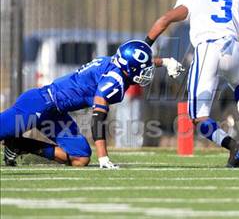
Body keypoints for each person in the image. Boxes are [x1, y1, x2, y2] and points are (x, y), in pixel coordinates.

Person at [145, 0, 239, 168]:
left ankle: (234, 146)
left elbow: (165, 20)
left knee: (198, 118)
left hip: (208, 48)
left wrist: (146, 44)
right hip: (233, 48)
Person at [0, 40, 184, 168]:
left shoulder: (116, 62)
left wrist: (165, 62)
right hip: (39, 103)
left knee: (80, 158)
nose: (147, 72)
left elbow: (138, 62)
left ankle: (18, 145)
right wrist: (103, 157)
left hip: (56, 112)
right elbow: (98, 118)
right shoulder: (113, 81)